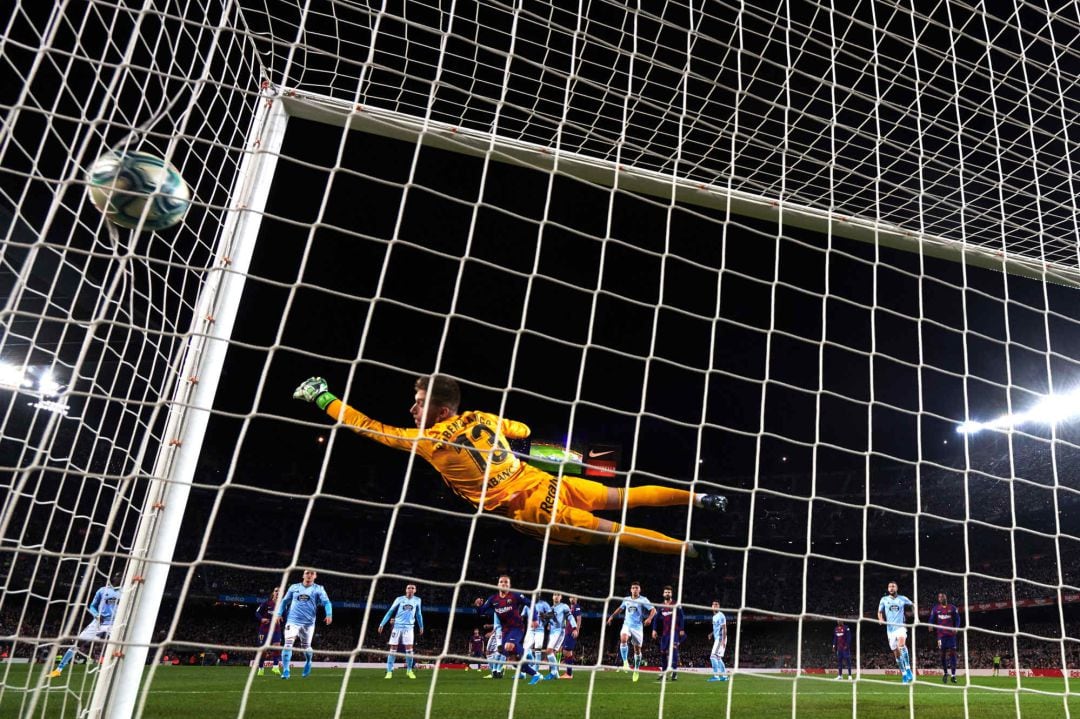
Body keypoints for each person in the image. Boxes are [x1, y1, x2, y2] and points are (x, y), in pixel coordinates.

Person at [292, 375, 728, 562]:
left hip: (532, 509)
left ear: (441, 409)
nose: (412, 406)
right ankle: (700, 498)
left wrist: (323, 398)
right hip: (543, 478)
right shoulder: (482, 417)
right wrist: (508, 436)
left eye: (419, 401)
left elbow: (368, 427)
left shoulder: (426, 440)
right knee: (625, 497)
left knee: (615, 534)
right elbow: (523, 427)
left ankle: (691, 550)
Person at [474, 575, 542, 685]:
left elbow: (531, 604)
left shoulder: (515, 596)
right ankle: (536, 674)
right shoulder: (493, 599)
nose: (504, 584)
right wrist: (478, 605)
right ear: (498, 584)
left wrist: (534, 618)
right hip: (505, 631)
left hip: (517, 628)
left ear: (509, 585)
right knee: (514, 660)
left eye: (506, 582)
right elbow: (481, 612)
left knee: (509, 646)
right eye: (501, 582)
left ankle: (525, 653)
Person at [49, 580, 121, 679]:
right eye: (117, 577)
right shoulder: (102, 590)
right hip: (98, 623)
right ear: (112, 579)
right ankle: (58, 670)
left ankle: (119, 673)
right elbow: (92, 606)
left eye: (121, 577)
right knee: (77, 644)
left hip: (115, 623)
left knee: (120, 647)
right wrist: (96, 615)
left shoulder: (124, 591)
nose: (119, 579)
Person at [273, 569, 332, 680]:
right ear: (303, 575)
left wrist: (329, 614)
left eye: (312, 573)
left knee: (306, 647)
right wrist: (279, 613)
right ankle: (286, 670)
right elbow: (285, 601)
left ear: (315, 576)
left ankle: (308, 661)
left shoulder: (319, 589)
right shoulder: (294, 587)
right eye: (307, 573)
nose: (309, 575)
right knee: (288, 644)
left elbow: (326, 602)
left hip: (308, 623)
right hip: (292, 621)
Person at [606, 581, 655, 683]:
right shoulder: (626, 599)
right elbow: (620, 609)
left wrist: (649, 619)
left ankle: (636, 670)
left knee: (637, 650)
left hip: (637, 627)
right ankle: (625, 662)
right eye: (633, 588)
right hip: (627, 625)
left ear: (639, 589)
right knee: (623, 639)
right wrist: (611, 616)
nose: (635, 589)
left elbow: (653, 610)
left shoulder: (643, 600)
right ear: (630, 589)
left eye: (637, 588)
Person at [378, 583, 424, 679]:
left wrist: (421, 626)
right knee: (393, 649)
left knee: (409, 650)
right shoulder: (399, 599)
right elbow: (390, 611)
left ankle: (409, 671)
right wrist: (382, 623)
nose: (410, 589)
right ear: (406, 590)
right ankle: (389, 672)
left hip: (409, 628)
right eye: (409, 588)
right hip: (397, 627)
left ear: (415, 590)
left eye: (413, 588)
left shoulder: (417, 600)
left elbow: (419, 614)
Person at [877, 581, 914, 683]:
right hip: (890, 630)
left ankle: (908, 669)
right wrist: (880, 619)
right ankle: (904, 674)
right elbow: (879, 612)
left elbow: (913, 604)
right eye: (889, 586)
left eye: (893, 586)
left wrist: (916, 617)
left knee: (902, 645)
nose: (891, 588)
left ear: (896, 588)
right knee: (897, 655)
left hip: (901, 627)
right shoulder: (884, 599)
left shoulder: (903, 598)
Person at [652, 585, 685, 681]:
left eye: (669, 592)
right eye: (666, 592)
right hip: (665, 633)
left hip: (675, 631)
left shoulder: (676, 604)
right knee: (663, 652)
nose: (667, 593)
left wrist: (682, 629)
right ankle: (664, 672)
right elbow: (656, 619)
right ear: (663, 594)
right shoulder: (661, 606)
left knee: (674, 651)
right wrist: (654, 629)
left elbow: (682, 617)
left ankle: (674, 673)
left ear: (671, 594)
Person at [928, 592, 961, 684]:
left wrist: (957, 627)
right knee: (942, 654)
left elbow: (958, 619)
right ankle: (946, 673)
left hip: (951, 635)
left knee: (952, 653)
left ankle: (953, 675)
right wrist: (930, 625)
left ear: (946, 597)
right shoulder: (935, 608)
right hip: (941, 635)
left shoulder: (952, 608)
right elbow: (931, 618)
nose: (940, 598)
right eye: (939, 597)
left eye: (942, 596)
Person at [544, 593, 577, 680]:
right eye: (555, 595)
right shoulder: (550, 608)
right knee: (552, 652)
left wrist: (574, 628)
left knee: (549, 651)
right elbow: (549, 621)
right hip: (552, 632)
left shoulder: (564, 606)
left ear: (561, 597)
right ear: (552, 597)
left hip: (559, 631)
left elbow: (570, 617)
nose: (556, 596)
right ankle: (556, 674)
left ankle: (554, 672)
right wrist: (548, 623)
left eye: (558, 595)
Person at [255, 587, 284, 676]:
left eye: (280, 592)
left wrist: (281, 618)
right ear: (273, 593)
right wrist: (262, 619)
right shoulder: (266, 603)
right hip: (264, 630)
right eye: (276, 591)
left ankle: (275, 667)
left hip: (276, 629)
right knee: (263, 650)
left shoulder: (283, 605)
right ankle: (261, 668)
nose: (278, 593)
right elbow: (257, 613)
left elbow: (285, 616)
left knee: (277, 647)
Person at [522, 594, 552, 677]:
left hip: (540, 629)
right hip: (530, 630)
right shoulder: (528, 604)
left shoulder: (544, 604)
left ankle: (535, 671)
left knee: (538, 648)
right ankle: (523, 673)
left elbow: (551, 615)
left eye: (538, 594)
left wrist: (545, 616)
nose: (537, 595)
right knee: (525, 649)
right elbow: (522, 616)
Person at [560, 595, 583, 679]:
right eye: (570, 597)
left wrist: (576, 630)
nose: (572, 598)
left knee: (566, 651)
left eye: (574, 597)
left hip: (572, 632)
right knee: (567, 652)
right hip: (567, 632)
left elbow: (579, 619)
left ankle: (569, 674)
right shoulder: (569, 608)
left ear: (577, 599)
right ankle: (568, 672)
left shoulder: (577, 607)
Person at [707, 600, 728, 682]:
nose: (715, 606)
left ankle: (716, 676)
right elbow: (716, 627)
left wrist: (723, 640)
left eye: (716, 604)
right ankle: (725, 676)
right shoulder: (714, 617)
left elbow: (724, 628)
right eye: (713, 604)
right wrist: (711, 634)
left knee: (712, 656)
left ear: (719, 606)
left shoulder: (721, 615)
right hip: (717, 638)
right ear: (711, 606)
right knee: (718, 658)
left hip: (720, 638)